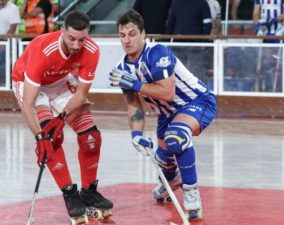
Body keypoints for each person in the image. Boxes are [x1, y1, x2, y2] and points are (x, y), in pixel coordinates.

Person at [109, 9, 216, 221]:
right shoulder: (122, 68)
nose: (127, 40)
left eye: (132, 34)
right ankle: (171, 182)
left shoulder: (157, 52)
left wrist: (137, 84)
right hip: (166, 115)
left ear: (142, 34)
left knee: (176, 139)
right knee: (163, 160)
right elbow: (133, 105)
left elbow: (167, 93)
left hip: (196, 102)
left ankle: (191, 192)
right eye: (122, 35)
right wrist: (136, 135)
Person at [12, 10, 113, 224]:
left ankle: (89, 191)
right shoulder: (43, 49)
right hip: (29, 85)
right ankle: (69, 193)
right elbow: (28, 104)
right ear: (62, 32)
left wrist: (62, 116)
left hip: (59, 82)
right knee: (51, 138)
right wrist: (40, 136)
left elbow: (81, 94)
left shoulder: (92, 50)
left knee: (91, 138)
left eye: (82, 39)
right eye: (71, 38)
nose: (77, 45)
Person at [253, 0, 284, 92]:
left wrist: (273, 20)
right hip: (265, 34)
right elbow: (255, 12)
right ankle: (266, 88)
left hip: (279, 32)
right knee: (266, 62)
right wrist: (257, 26)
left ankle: (279, 88)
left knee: (279, 63)